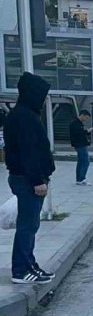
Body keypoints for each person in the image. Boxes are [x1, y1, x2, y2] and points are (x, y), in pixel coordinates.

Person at [3, 72, 55, 285]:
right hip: (28, 179)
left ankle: (29, 265)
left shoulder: (23, 114)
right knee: (27, 226)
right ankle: (21, 270)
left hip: (26, 178)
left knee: (30, 225)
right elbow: (29, 152)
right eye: (41, 95)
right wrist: (37, 181)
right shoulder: (24, 117)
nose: (43, 99)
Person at [69, 109, 93, 185]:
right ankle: (82, 178)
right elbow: (78, 133)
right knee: (85, 161)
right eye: (86, 118)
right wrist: (87, 131)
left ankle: (79, 179)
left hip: (80, 144)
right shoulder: (75, 123)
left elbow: (81, 132)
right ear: (82, 115)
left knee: (81, 162)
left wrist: (87, 132)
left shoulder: (78, 123)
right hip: (80, 144)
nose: (86, 120)